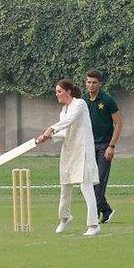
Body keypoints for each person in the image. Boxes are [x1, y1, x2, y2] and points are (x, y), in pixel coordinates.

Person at [36, 79, 101, 236]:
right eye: (56, 91)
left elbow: (68, 121)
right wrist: (50, 137)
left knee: (86, 187)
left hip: (83, 151)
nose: (56, 94)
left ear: (68, 92)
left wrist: (51, 128)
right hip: (69, 152)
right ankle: (65, 218)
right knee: (65, 186)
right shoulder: (63, 111)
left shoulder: (79, 104)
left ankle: (94, 225)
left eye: (59, 91)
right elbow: (64, 133)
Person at [82, 70, 122, 224]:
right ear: (85, 82)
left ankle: (98, 214)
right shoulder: (83, 100)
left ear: (100, 84)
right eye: (88, 82)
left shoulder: (107, 99)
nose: (91, 85)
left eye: (94, 82)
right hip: (88, 146)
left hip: (104, 145)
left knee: (99, 181)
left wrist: (111, 146)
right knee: (90, 182)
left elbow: (119, 123)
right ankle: (106, 210)